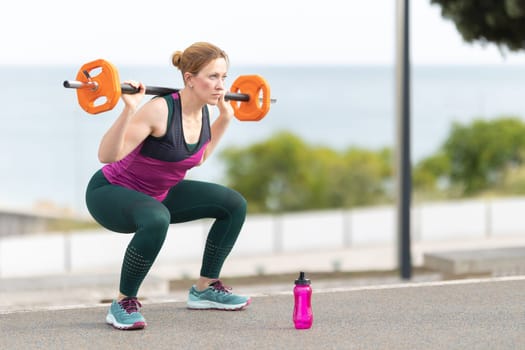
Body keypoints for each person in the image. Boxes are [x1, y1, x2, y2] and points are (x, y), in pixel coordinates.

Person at [85, 42, 251, 330]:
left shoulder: (204, 112)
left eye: (224, 77)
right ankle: (123, 302)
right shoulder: (159, 110)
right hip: (110, 193)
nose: (221, 86)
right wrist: (129, 110)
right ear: (189, 78)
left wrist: (225, 117)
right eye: (212, 77)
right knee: (156, 217)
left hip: (158, 194)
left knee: (233, 204)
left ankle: (205, 288)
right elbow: (106, 156)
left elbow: (197, 158)